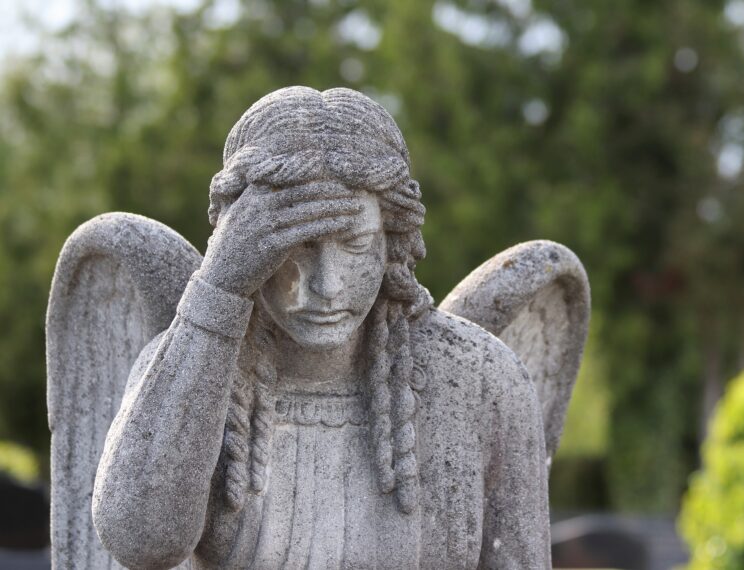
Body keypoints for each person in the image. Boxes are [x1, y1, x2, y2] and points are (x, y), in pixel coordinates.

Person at [92, 86, 550, 569]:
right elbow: (140, 541)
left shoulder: (477, 377)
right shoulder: (191, 366)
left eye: (354, 244)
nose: (327, 285)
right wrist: (218, 289)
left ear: (391, 242)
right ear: (244, 243)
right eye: (298, 247)